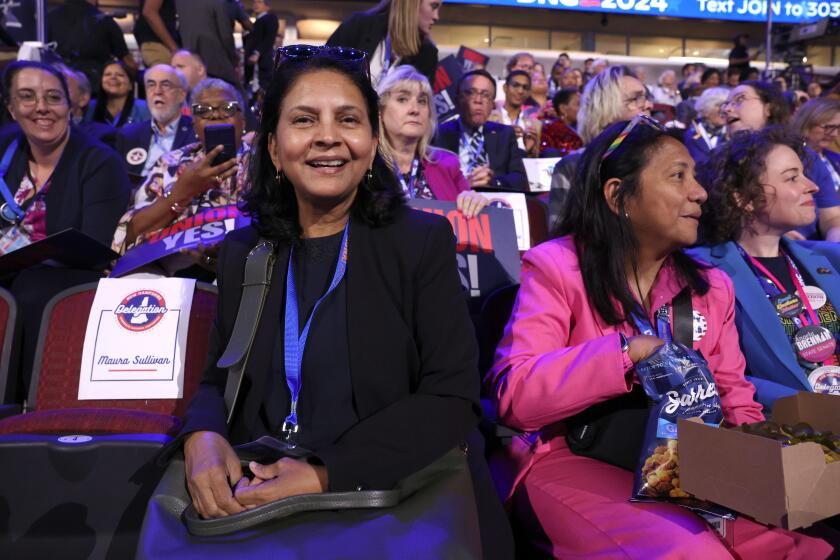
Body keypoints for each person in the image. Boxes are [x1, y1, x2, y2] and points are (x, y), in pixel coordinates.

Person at [178, 43, 493, 549]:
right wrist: (203, 437)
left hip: (388, 501)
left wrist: (324, 473)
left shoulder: (419, 243)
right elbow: (218, 376)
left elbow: (451, 398)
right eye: (304, 120)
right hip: (261, 492)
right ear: (276, 149)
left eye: (348, 119)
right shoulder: (246, 250)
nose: (328, 137)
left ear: (371, 143)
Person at [486, 116, 832, 559]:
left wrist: (762, 469)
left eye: (695, 174)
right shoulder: (556, 266)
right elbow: (517, 396)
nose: (700, 191)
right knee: (692, 553)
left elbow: (735, 399)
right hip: (572, 456)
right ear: (618, 195)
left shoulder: (711, 286)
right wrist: (628, 354)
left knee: (804, 547)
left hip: (691, 460)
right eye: (677, 175)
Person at [0, 61, 131, 400]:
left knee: (30, 288)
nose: (41, 107)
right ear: (12, 109)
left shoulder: (100, 161)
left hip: (71, 276)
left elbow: (97, 247)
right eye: (27, 97)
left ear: (69, 107)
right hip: (10, 274)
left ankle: (23, 405)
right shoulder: (4, 150)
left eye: (53, 97)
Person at [691, 127, 840, 410]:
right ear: (743, 199)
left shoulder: (827, 259)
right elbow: (719, 376)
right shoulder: (703, 271)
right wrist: (809, 407)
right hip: (788, 431)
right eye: (792, 178)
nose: (813, 186)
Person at [111, 78, 247, 277]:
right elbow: (131, 234)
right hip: (173, 271)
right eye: (203, 110)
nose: (216, 115)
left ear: (242, 120)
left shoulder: (264, 161)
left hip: (245, 269)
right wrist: (183, 192)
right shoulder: (172, 162)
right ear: (194, 124)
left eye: (227, 108)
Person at [721, 81, 840, 242]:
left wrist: (834, 245)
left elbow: (832, 217)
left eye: (740, 99)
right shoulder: (719, 161)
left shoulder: (806, 156)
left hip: (806, 252)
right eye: (726, 104)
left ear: (769, 108)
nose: (727, 109)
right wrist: (770, 236)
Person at [548, 66, 652, 229]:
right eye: (636, 98)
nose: (649, 105)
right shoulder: (573, 166)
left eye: (646, 97)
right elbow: (560, 236)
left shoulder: (658, 160)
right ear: (605, 108)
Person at [376, 65, 488, 215]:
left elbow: (471, 213)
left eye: (422, 101)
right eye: (402, 99)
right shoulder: (365, 167)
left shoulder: (448, 163)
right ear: (380, 112)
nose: (414, 109)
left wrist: (474, 200)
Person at [433, 69, 528, 191]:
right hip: (452, 201)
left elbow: (519, 178)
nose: (478, 100)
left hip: (494, 201)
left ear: (492, 105)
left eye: (485, 95)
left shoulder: (505, 134)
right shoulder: (439, 134)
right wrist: (463, 184)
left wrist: (494, 182)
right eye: (471, 93)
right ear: (457, 100)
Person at [326, 0, 441, 87]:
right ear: (411, 4)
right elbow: (321, 73)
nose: (437, 17)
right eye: (433, 6)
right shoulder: (358, 26)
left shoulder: (428, 54)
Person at [114, 64, 198, 179]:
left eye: (166, 85)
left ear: (182, 95)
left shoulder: (196, 133)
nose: (157, 91)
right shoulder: (128, 135)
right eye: (151, 85)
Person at [47, 0, 138, 94]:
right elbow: (128, 63)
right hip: (95, 88)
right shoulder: (104, 20)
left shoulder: (49, 18)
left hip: (58, 85)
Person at [175, 0, 239, 87]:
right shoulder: (217, 3)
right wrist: (233, 59)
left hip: (187, 59)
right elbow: (226, 36)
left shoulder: (179, 3)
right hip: (216, 63)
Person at [790, 97, 840, 191]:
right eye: (829, 127)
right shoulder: (794, 160)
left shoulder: (835, 157)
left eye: (838, 127)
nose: (835, 134)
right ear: (806, 124)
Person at [85, 60, 150, 128]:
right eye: (107, 74)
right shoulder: (90, 107)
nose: (113, 77)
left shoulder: (144, 108)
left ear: (131, 85)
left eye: (120, 75)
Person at [490, 71, 540, 156]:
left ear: (528, 93)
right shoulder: (489, 119)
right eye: (515, 85)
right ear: (505, 88)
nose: (520, 91)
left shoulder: (535, 125)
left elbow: (537, 160)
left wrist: (528, 150)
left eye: (525, 87)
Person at [683, 86, 728, 164]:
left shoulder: (731, 136)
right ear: (705, 110)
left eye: (726, 105)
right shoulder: (688, 135)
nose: (724, 110)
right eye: (719, 105)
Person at [243, 0, 279, 94]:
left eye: (259, 2)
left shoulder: (270, 18)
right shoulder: (255, 22)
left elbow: (269, 39)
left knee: (264, 91)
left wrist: (257, 53)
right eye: (254, 2)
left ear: (267, 6)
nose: (255, 5)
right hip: (251, 65)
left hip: (262, 63)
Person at [133, 0, 181, 67]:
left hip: (160, 45)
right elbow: (149, 11)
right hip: (159, 45)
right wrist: (174, 48)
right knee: (163, 75)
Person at [539, 88, 582, 158]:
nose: (584, 108)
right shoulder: (550, 131)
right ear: (563, 109)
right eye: (579, 104)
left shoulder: (587, 130)